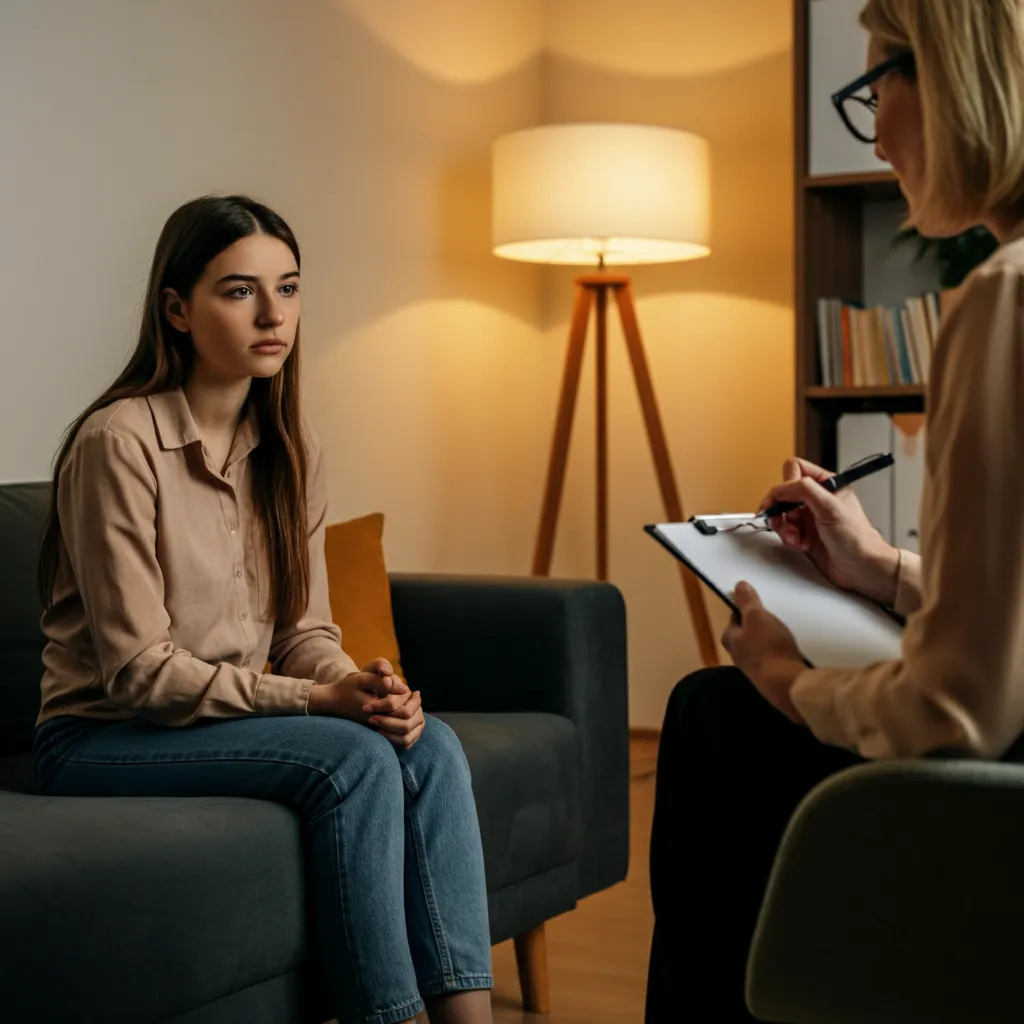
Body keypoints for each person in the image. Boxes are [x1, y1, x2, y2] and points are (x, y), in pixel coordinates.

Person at [645, 1, 1024, 1019]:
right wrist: (877, 568)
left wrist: (788, 678)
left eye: (870, 91)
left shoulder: (1002, 301)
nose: (877, 128)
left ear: (940, 81)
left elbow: (958, 713)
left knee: (712, 712)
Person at [32, 194, 493, 1024]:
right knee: (349, 761)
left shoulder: (291, 449)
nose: (274, 313)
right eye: (239, 291)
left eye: (288, 287)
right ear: (177, 309)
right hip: (101, 736)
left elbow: (303, 632)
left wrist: (366, 688)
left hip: (218, 722)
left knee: (430, 747)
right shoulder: (120, 441)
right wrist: (320, 702)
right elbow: (138, 675)